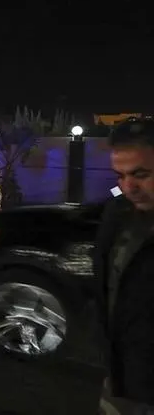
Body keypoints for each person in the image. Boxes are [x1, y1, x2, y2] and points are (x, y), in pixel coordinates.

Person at [93, 117, 154, 414]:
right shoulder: (117, 213)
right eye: (120, 175)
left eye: (141, 174)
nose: (129, 187)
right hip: (122, 380)